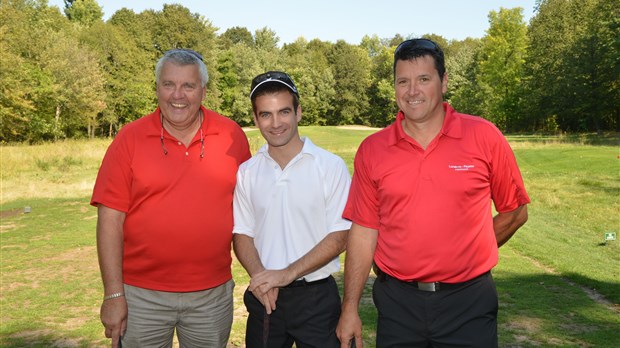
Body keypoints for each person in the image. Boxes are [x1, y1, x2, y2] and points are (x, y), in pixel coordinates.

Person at [336, 38, 530, 347]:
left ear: (444, 82)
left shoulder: (483, 136)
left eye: (423, 79)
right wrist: (350, 308)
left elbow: (516, 210)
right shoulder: (373, 150)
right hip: (397, 304)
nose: (412, 91)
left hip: (469, 302)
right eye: (403, 81)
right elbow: (363, 230)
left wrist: (470, 251)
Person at [90, 48, 251, 348]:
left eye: (188, 85)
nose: (178, 95)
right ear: (157, 88)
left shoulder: (232, 136)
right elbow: (110, 220)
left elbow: (250, 213)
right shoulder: (129, 139)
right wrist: (113, 295)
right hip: (141, 297)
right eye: (169, 84)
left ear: (203, 91)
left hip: (211, 296)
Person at [233, 71, 352, 347]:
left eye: (284, 112)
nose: (276, 123)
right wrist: (262, 277)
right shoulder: (247, 172)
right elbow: (242, 233)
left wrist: (286, 274)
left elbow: (341, 234)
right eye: (266, 114)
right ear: (255, 119)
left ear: (298, 112)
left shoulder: (329, 166)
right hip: (266, 298)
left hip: (316, 299)